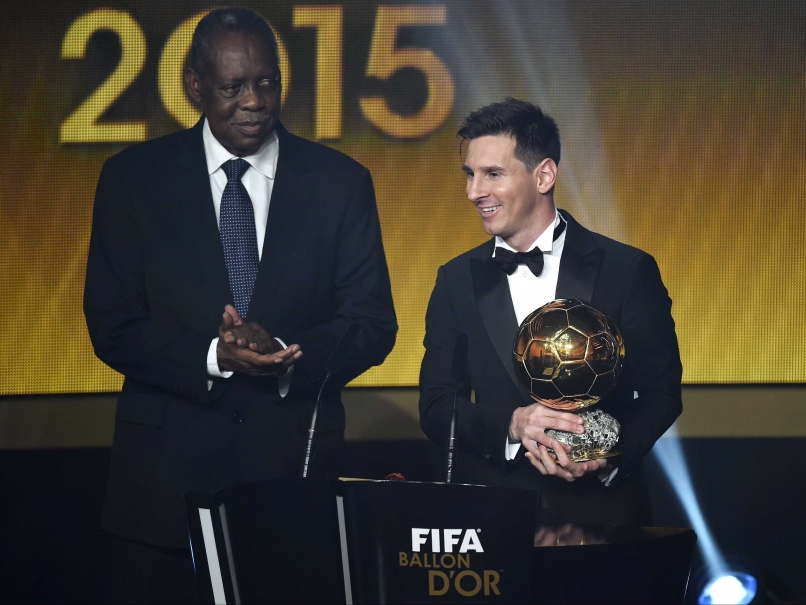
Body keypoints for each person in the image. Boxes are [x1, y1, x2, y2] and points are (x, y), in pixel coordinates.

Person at [84, 7, 396, 602]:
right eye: (233, 87)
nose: (254, 100)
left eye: (267, 82)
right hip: (161, 495)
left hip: (295, 484)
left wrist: (285, 352)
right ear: (194, 85)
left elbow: (372, 322)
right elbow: (112, 324)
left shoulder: (340, 182)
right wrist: (214, 355)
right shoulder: (133, 180)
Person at [419, 98, 681, 526]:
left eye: (493, 174)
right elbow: (435, 405)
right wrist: (512, 424)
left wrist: (606, 455)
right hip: (498, 518)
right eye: (470, 174)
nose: (473, 192)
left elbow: (662, 393)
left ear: (544, 175)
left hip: (604, 517)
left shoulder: (627, 270)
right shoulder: (455, 280)